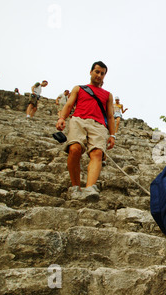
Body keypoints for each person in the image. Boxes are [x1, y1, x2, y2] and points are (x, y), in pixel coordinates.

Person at [55, 61, 115, 201]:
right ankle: (75, 187)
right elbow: (69, 104)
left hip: (99, 125)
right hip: (79, 120)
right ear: (91, 72)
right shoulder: (79, 88)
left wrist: (112, 135)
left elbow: (110, 116)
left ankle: (90, 188)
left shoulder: (108, 95)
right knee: (74, 148)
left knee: (97, 152)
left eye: (102, 73)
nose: (99, 75)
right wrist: (62, 118)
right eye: (97, 72)